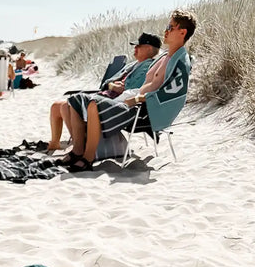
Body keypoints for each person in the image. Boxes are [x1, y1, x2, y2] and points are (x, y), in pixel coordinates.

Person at [62, 10, 197, 172]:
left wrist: (136, 99)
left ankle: (88, 159)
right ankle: (77, 151)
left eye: (171, 27)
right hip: (132, 99)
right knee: (75, 100)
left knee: (93, 104)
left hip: (142, 110)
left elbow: (174, 94)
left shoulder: (181, 61)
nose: (166, 30)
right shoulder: (164, 56)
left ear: (182, 32)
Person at [46, 32, 161, 153]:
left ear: (149, 48)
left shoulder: (148, 67)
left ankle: (80, 145)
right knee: (56, 106)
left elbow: (131, 89)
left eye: (138, 46)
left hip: (116, 102)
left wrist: (114, 86)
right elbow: (109, 83)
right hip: (107, 95)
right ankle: (55, 144)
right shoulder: (134, 65)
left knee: (65, 106)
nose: (135, 48)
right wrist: (112, 85)